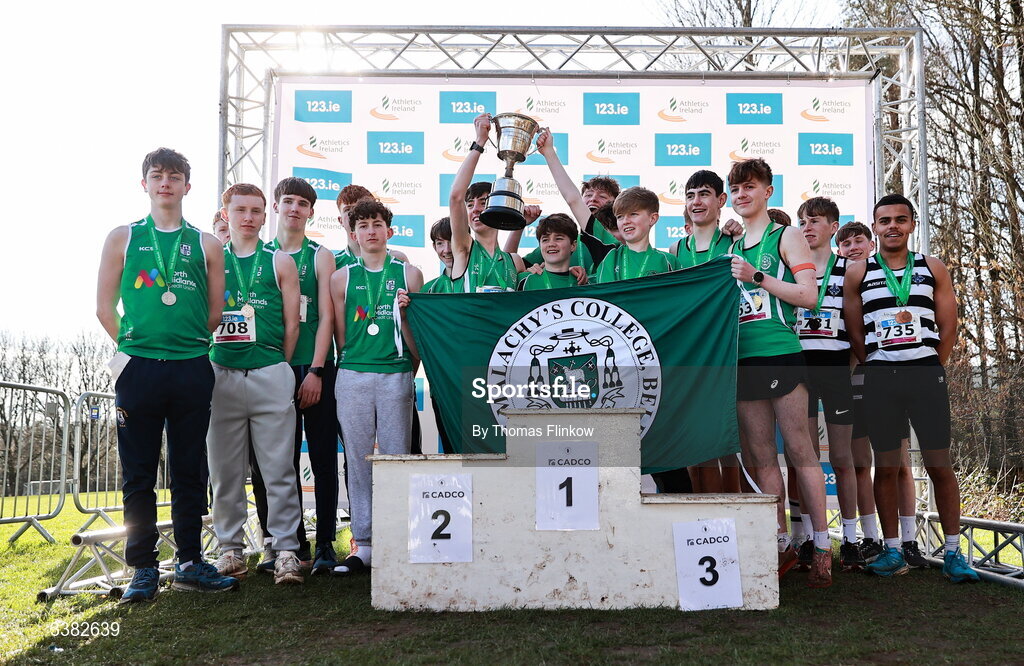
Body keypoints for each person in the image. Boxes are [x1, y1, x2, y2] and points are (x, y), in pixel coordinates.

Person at [96, 147, 237, 602]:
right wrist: (136, 349)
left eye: (174, 177)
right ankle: (143, 568)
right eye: (157, 176)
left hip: (192, 366)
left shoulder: (206, 244)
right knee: (138, 471)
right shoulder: (122, 237)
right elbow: (103, 308)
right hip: (138, 369)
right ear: (145, 184)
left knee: (188, 469)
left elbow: (215, 314)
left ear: (187, 187)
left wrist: (181, 345)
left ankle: (191, 561)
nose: (166, 184)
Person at [844, 194, 978, 582]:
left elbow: (948, 324)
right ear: (875, 227)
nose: (892, 227)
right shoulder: (858, 272)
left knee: (939, 464)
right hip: (881, 378)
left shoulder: (932, 267)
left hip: (925, 375)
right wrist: (874, 364)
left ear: (911, 225)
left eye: (900, 220)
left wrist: (935, 364)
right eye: (884, 220)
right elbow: (855, 329)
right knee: (886, 468)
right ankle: (891, 551)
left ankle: (953, 554)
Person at [727, 158, 831, 588]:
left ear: (768, 191)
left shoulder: (786, 235)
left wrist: (759, 277)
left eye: (749, 187)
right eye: (735, 189)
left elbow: (809, 296)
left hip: (783, 354)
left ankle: (822, 547)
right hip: (744, 359)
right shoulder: (728, 247)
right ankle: (780, 544)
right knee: (762, 458)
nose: (741, 195)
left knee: (801, 452)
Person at [207, 183, 305, 586]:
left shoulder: (281, 261)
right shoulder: (211, 259)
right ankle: (230, 549)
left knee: (278, 468)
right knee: (225, 471)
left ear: (266, 216)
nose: (248, 217)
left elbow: (291, 324)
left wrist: (274, 361)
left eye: (256, 210)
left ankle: (285, 550)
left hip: (268, 370)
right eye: (240, 209)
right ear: (226, 214)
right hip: (221, 374)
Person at [330, 198, 423, 574]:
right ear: (353, 234)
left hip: (396, 374)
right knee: (358, 459)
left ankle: (398, 537)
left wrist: (408, 369)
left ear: (390, 231)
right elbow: (339, 334)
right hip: (352, 374)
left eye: (377, 224)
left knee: (397, 457)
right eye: (363, 225)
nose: (370, 231)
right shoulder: (341, 277)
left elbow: (416, 336)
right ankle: (364, 543)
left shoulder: (409, 274)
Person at [837, 221, 927, 568]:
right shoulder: (836, 282)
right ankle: (872, 539)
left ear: (871, 243)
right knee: (862, 464)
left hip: (889, 381)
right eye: (845, 243)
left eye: (859, 240)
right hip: (853, 387)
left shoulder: (887, 280)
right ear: (839, 250)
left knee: (900, 464)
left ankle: (909, 542)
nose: (853, 247)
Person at [266, 177, 340, 575]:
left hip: (314, 368)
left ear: (311, 211)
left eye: (303, 203)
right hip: (272, 369)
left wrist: (315, 370)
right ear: (277, 206)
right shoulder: (259, 255)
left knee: (324, 457)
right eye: (288, 201)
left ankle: (326, 541)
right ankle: (289, 543)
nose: (294, 208)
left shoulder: (319, 255)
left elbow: (327, 316)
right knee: (280, 462)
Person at [795, 197, 863, 572]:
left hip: (837, 368)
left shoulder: (849, 270)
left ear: (833, 227)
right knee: (805, 458)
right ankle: (809, 539)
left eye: (815, 221)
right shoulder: (793, 271)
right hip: (800, 371)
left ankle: (850, 540)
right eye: (803, 221)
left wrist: (850, 365)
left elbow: (859, 326)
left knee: (841, 458)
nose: (807, 227)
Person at [668, 170, 742, 493]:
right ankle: (702, 523)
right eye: (690, 196)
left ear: (720, 200)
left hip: (729, 354)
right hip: (690, 358)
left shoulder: (735, 242)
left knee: (729, 448)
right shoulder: (673, 252)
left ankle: (738, 521)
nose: (696, 202)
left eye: (704, 194)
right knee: (696, 448)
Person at [449, 113, 527, 292]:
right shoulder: (464, 249)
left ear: (497, 208)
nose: (475, 209)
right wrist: (480, 142)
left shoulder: (515, 262)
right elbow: (455, 197)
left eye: (483, 202)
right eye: (470, 205)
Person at [334, 184, 409, 269]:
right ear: (340, 220)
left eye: (359, 207)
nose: (354, 213)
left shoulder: (398, 259)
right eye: (347, 209)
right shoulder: (334, 263)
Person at [516, 214, 582, 291]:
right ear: (540, 246)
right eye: (545, 240)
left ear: (573, 245)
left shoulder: (582, 282)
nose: (551, 244)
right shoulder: (523, 280)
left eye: (558, 238)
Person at [422, 217, 460, 294]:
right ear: (434, 247)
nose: (447, 250)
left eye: (452, 242)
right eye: (440, 243)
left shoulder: (478, 281)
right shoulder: (428, 289)